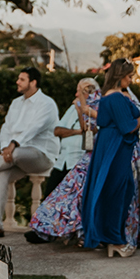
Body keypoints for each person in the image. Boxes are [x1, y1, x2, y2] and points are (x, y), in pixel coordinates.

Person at [80, 58, 140, 258]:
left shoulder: (106, 96)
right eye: (129, 76)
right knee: (119, 192)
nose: (131, 80)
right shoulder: (117, 98)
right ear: (121, 76)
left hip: (107, 145)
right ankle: (115, 240)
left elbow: (104, 120)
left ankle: (111, 239)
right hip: (117, 147)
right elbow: (128, 126)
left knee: (110, 190)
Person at [0, 68, 60, 239]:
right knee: (0, 176)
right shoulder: (16, 103)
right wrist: (5, 148)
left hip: (41, 155)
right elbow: (6, 128)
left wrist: (13, 146)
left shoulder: (47, 103)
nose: (17, 82)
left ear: (33, 82)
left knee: (17, 154)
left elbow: (33, 129)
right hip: (16, 156)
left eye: (22, 79)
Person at [25, 77, 101, 245]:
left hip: (78, 161)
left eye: (80, 91)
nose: (76, 94)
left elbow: (87, 128)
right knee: (50, 197)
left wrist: (80, 107)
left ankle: (67, 234)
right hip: (63, 160)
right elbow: (58, 130)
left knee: (71, 202)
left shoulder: (95, 108)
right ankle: (44, 231)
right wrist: (75, 130)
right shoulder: (71, 108)